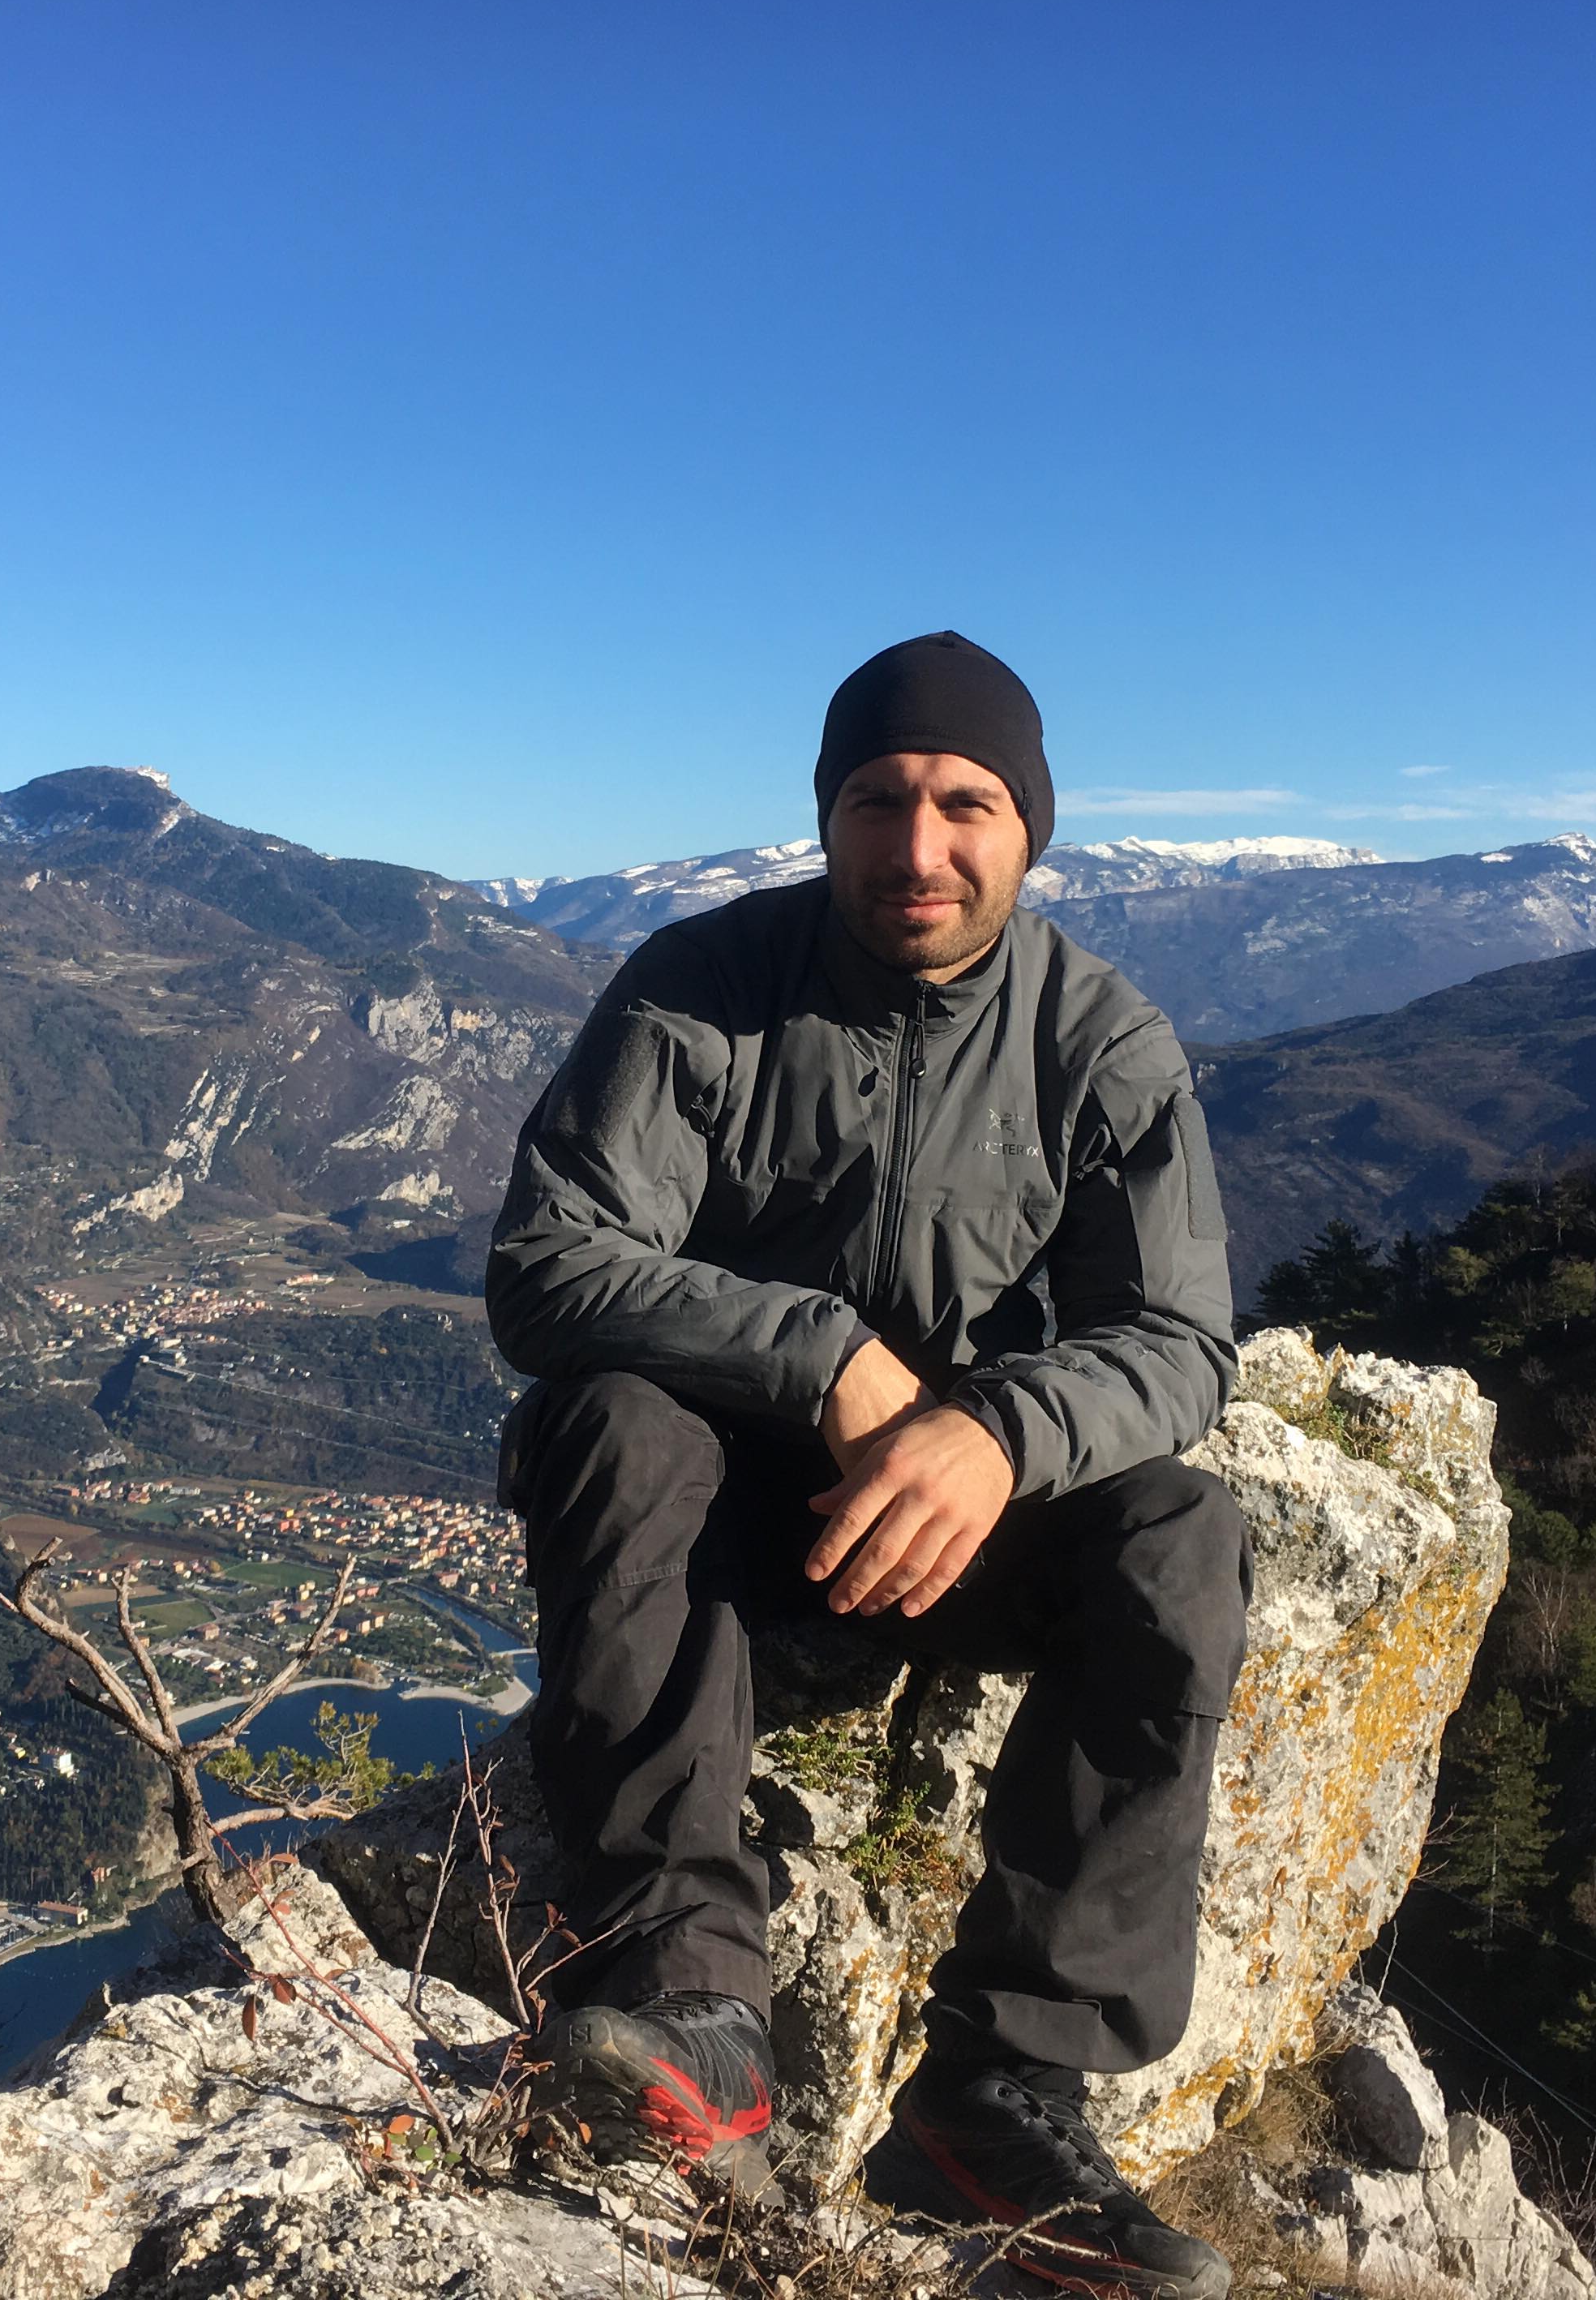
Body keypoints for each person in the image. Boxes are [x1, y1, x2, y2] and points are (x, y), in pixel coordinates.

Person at [486, 632, 1249, 2298]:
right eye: (879, 801)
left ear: (1029, 828)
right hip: (706, 1513)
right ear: (826, 814)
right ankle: (692, 2001)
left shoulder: (1098, 1043)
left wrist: (1000, 1430)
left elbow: (1181, 1343)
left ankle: (1001, 2093)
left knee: (1181, 1535)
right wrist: (819, 1354)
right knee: (610, 1419)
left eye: (966, 804)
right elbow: (547, 1266)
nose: (920, 847)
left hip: (943, 1520)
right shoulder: (704, 988)